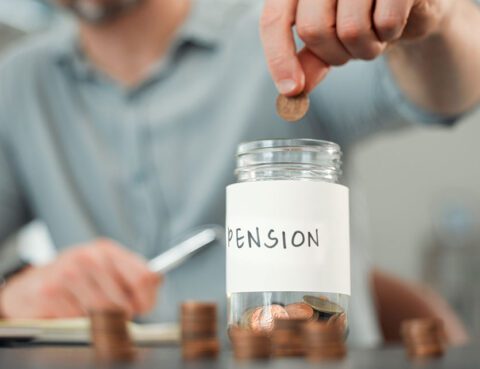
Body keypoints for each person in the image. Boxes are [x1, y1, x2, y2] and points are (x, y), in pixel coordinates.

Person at [0, 0, 478, 346]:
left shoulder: (292, 28)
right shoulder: (16, 84)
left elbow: (445, 92)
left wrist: (436, 19)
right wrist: (9, 299)